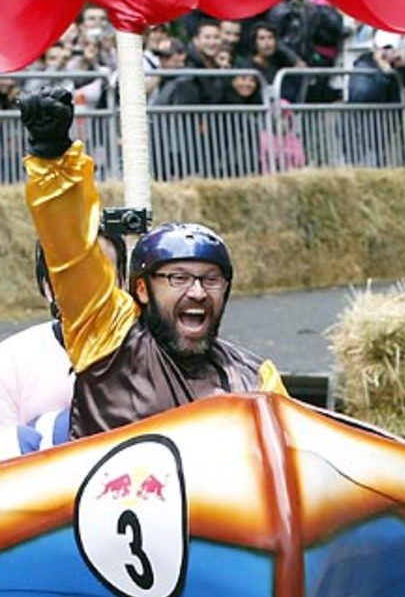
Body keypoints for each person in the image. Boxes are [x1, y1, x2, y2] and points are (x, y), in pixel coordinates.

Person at [17, 86, 285, 440]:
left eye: (211, 280)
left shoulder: (257, 378)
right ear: (142, 289)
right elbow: (71, 251)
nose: (198, 292)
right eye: (178, 278)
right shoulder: (108, 336)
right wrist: (52, 157)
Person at [0, 226, 127, 465]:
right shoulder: (5, 366)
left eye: (102, 275)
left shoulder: (155, 355)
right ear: (48, 288)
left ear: (123, 283)